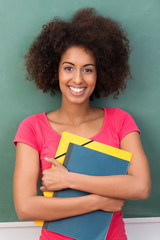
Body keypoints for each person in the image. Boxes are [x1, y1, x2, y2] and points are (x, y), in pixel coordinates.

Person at [13, 8, 151, 240]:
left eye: (88, 70)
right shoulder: (32, 128)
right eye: (69, 68)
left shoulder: (120, 121)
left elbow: (141, 187)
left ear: (101, 74)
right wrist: (97, 201)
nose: (78, 79)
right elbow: (25, 208)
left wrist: (69, 179)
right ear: (54, 70)